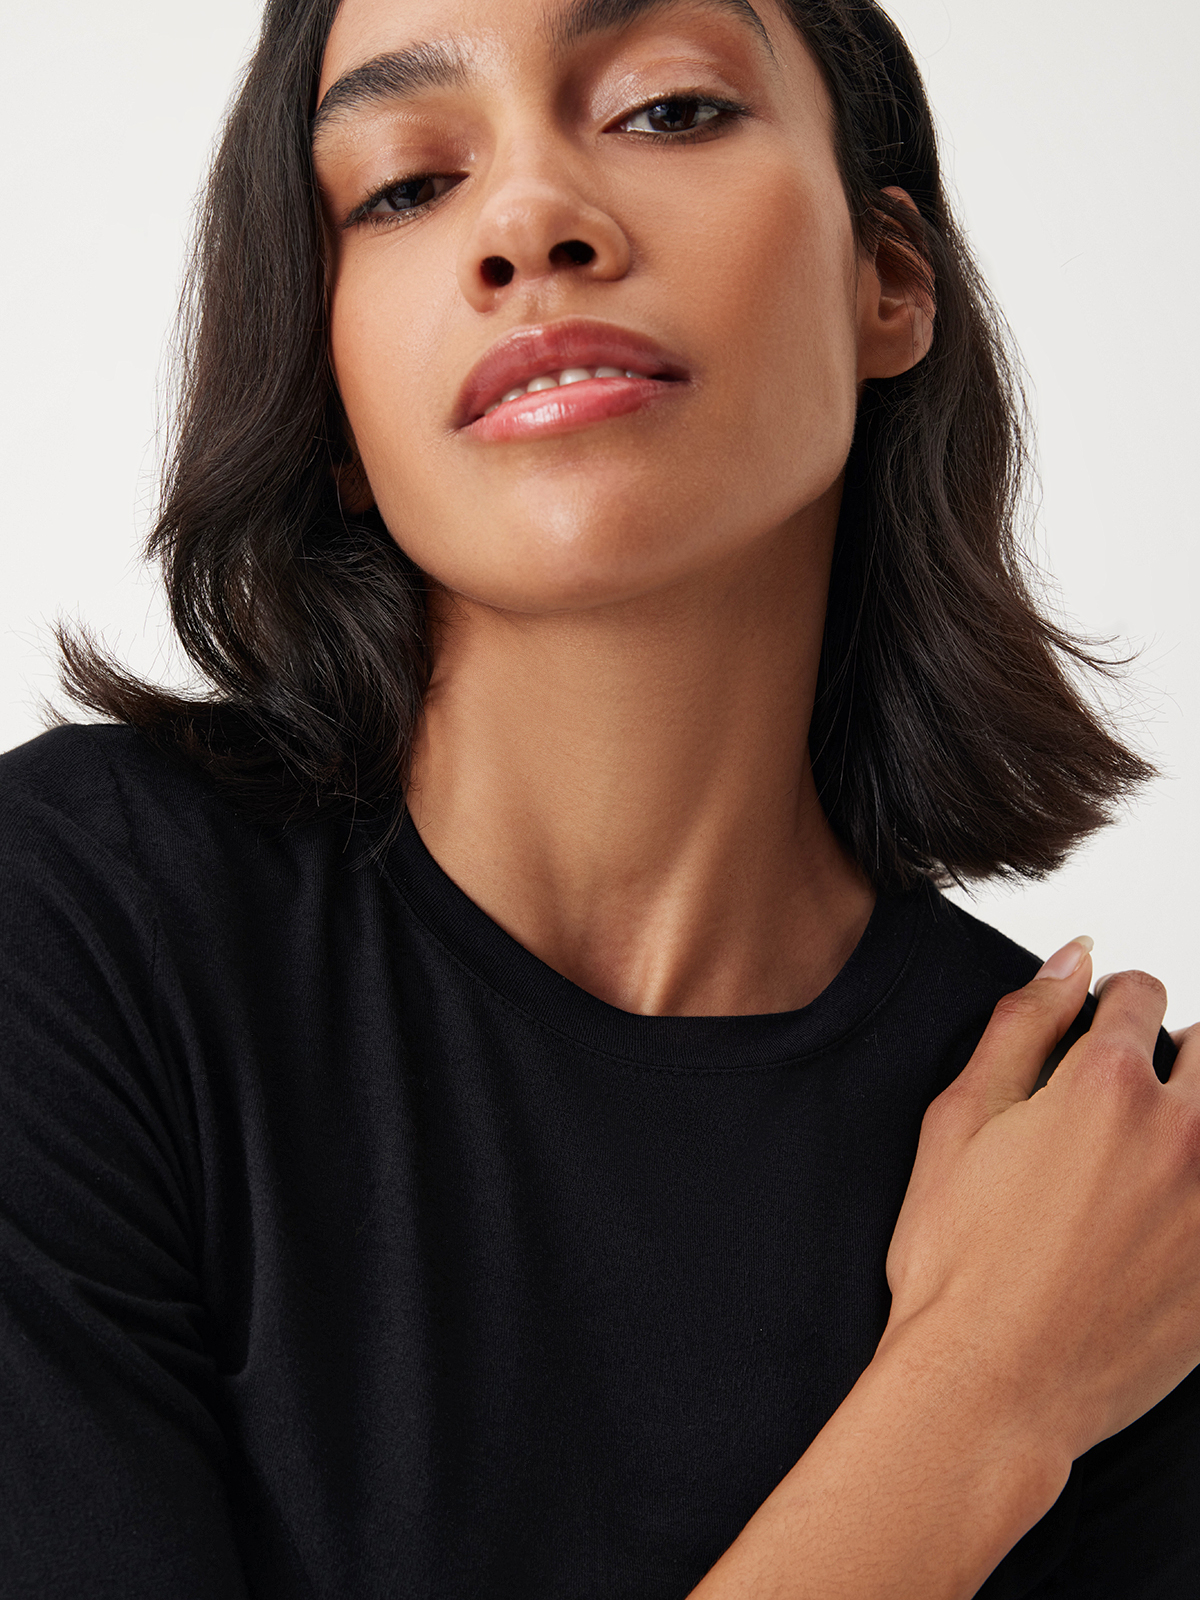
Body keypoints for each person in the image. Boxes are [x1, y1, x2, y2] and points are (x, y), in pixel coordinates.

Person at [0, 0, 1197, 1595]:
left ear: (888, 280)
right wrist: (985, 1395)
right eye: (405, 186)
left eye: (667, 108)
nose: (527, 223)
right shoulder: (71, 931)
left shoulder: (1109, 1178)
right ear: (333, 399)